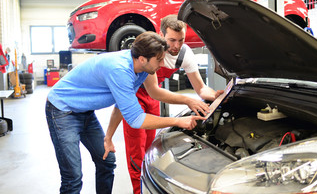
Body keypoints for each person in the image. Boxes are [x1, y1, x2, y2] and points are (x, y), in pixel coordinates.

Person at [45, 31, 209, 194]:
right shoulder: (120, 70)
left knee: (106, 161)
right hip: (62, 110)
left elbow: (120, 107)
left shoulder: (142, 69)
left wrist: (108, 138)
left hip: (85, 111)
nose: (162, 64)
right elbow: (136, 119)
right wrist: (177, 121)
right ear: (143, 59)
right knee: (73, 177)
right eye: (158, 60)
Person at [119, 14, 224, 194]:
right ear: (161, 35)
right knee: (136, 155)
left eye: (180, 40)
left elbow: (200, 89)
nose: (176, 46)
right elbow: (155, 91)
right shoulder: (152, 50)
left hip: (151, 100)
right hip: (133, 98)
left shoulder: (185, 53)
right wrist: (187, 100)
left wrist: (216, 95)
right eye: (171, 40)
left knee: (150, 150)